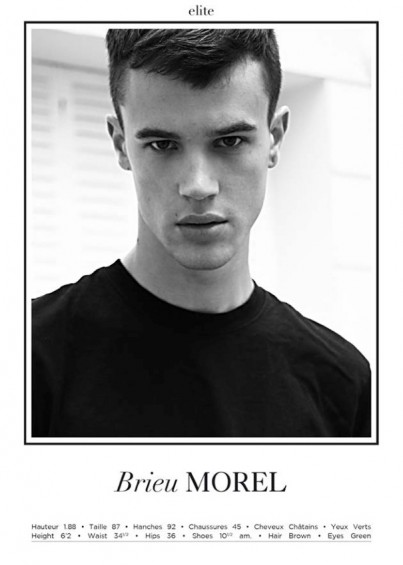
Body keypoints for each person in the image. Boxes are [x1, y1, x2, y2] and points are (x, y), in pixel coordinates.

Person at [32, 29, 371, 438]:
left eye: (230, 140)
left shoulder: (342, 383)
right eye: (162, 144)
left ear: (275, 138)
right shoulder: (27, 359)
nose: (197, 186)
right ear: (121, 144)